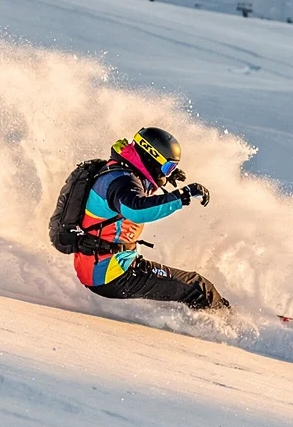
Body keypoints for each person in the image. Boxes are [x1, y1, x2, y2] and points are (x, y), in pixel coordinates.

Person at [73, 127, 229, 311]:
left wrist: (160, 179)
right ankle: (228, 327)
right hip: (113, 273)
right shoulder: (122, 181)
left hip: (98, 266)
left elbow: (130, 196)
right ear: (151, 157)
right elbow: (136, 209)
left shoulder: (119, 171)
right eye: (167, 168)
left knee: (187, 286)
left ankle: (205, 319)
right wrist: (182, 196)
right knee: (199, 288)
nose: (167, 173)